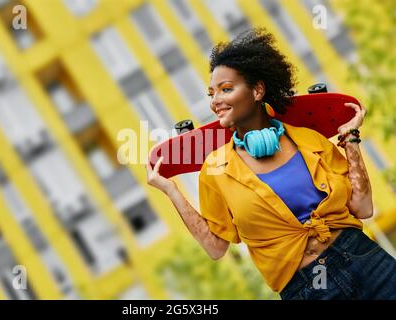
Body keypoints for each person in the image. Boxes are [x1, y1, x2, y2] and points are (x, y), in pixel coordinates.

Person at [146, 28, 396, 300]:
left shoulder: (309, 140)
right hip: (306, 289)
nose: (215, 101)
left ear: (257, 90)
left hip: (367, 261)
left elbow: (363, 206)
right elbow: (216, 248)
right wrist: (172, 191)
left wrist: (350, 139)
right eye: (211, 94)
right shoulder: (216, 169)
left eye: (226, 89)